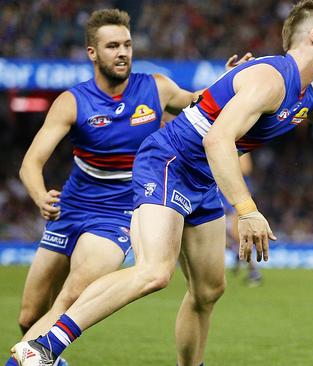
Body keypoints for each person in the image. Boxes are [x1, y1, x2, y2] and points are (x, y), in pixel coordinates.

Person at [11, 1, 313, 365]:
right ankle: (44, 346)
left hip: (203, 178)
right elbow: (216, 139)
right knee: (154, 272)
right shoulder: (270, 79)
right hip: (169, 162)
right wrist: (247, 210)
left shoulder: (309, 96)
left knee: (209, 290)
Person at [7, 9, 251, 366]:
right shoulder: (72, 102)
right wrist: (39, 194)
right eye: (112, 46)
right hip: (70, 208)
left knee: (71, 298)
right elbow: (31, 162)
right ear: (92, 53)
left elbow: (198, 103)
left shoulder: (155, 87)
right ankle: (46, 358)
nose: (123, 52)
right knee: (29, 316)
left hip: (120, 211)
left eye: (127, 44)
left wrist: (228, 82)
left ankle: (26, 360)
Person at [225, 154, 263, 287]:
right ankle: (237, 255)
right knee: (223, 237)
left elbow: (246, 168)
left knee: (237, 236)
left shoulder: (238, 146)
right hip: (224, 192)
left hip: (239, 195)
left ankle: (254, 272)